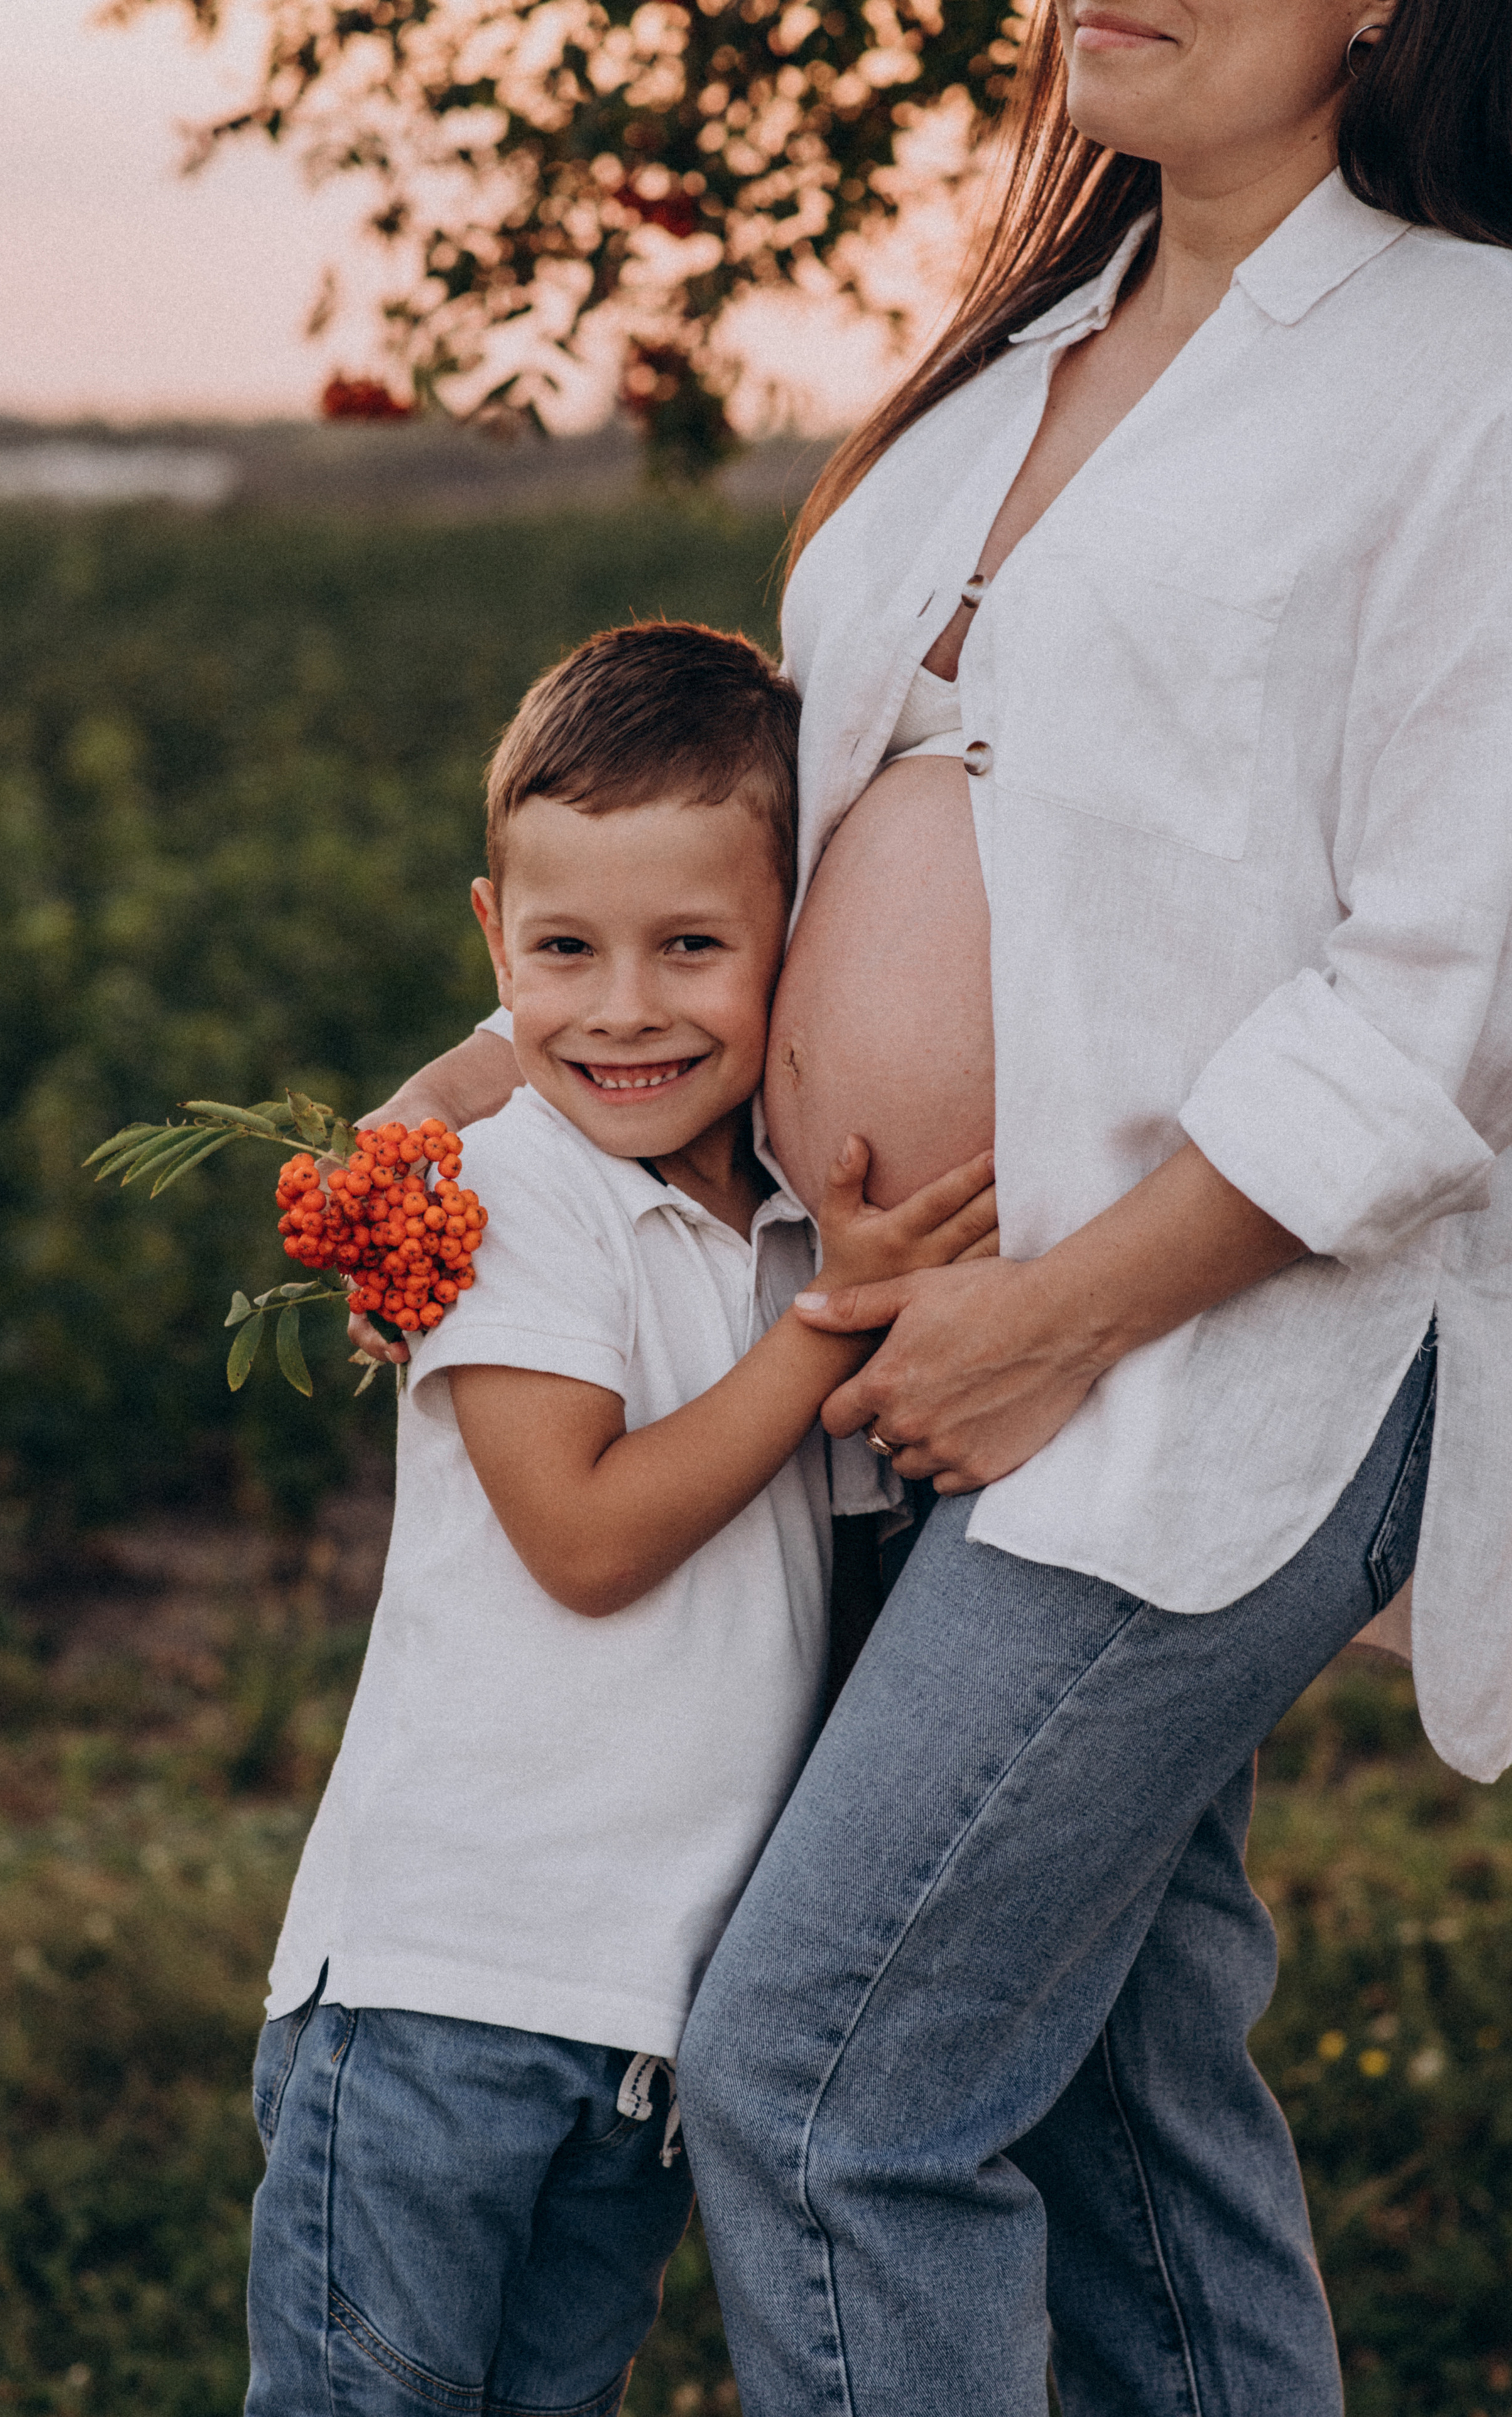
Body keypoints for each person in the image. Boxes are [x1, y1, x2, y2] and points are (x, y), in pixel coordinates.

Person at [366, 0, 1512, 2402]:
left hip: (1204, 1361)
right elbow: (773, 856)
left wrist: (1062, 1320)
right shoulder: (1016, 367)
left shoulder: (1471, 363)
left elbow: (1446, 997)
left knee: (822, 2083)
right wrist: (453, 1105)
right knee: (1114, 2111)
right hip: (908, 1352)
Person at [244, 621, 997, 2417]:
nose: (626, 1009)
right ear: (495, 941)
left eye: (693, 949)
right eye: (567, 951)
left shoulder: (792, 1234)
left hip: (638, 2035)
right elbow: (583, 1539)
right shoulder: (516, 1194)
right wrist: (826, 1335)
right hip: (440, 2005)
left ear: (792, 954)